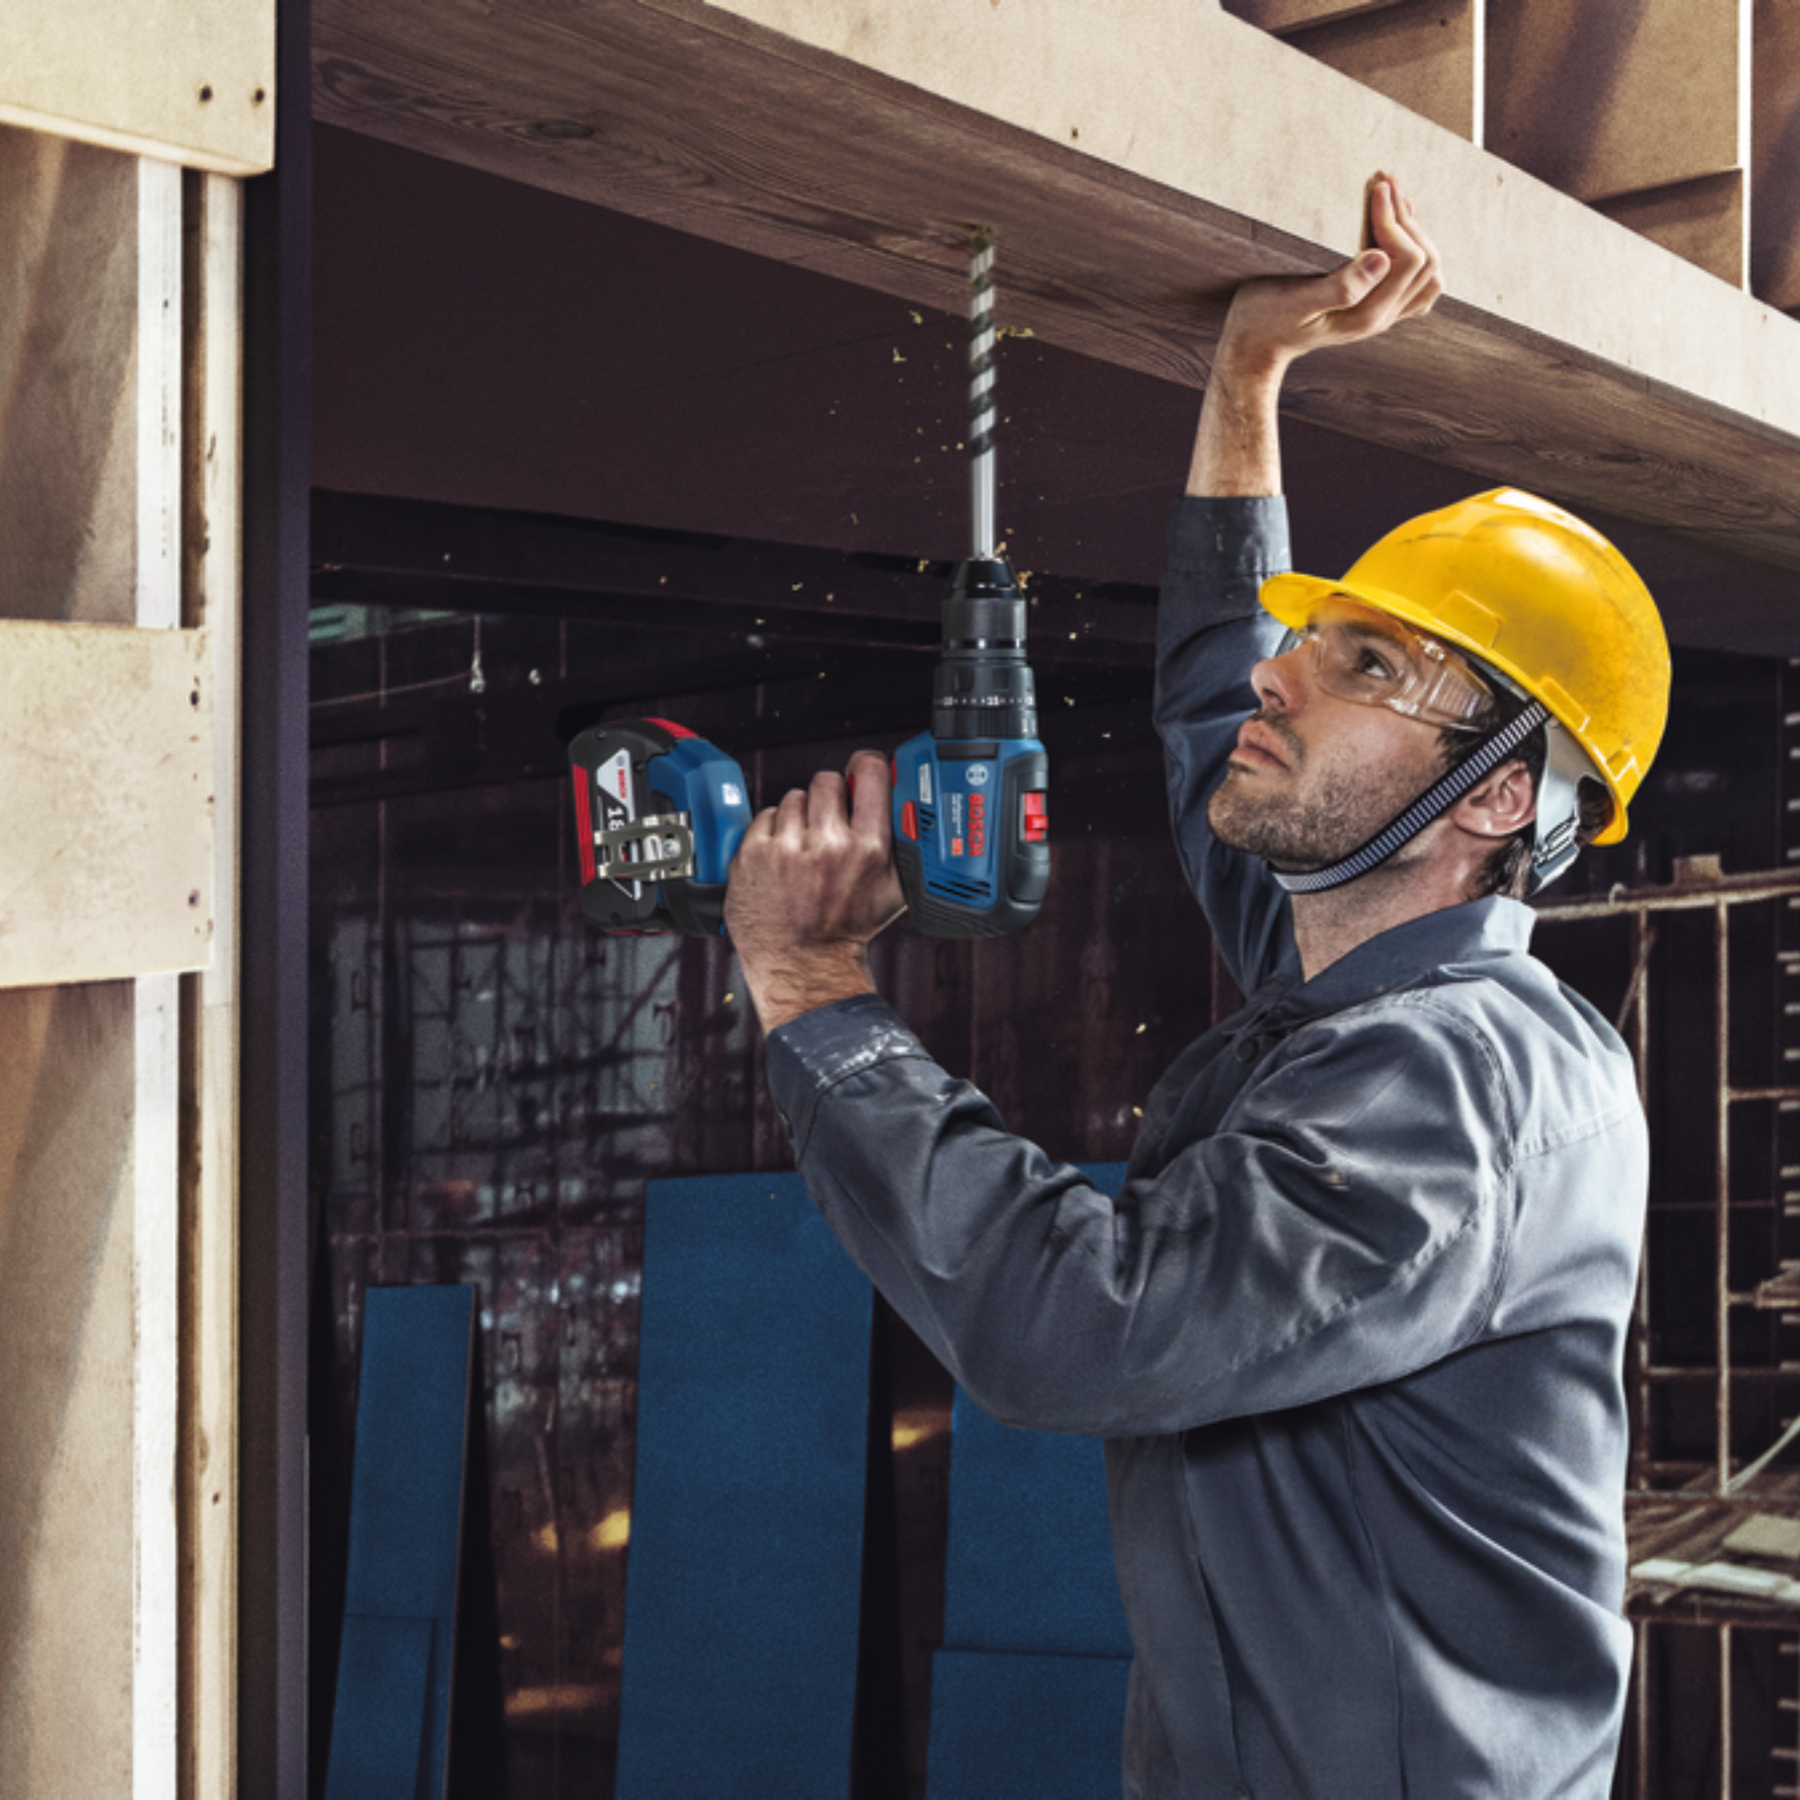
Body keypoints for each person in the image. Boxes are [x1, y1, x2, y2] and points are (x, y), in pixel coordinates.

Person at [724, 176, 1672, 1797]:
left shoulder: (1456, 1086)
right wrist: (1246, 383)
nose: (1281, 673)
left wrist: (816, 985)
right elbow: (1213, 725)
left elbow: (1074, 1325)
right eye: (1318, 641)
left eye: (1370, 665)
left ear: (1501, 798)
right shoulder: (1361, 979)